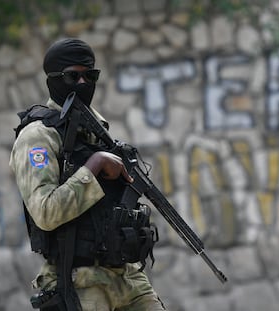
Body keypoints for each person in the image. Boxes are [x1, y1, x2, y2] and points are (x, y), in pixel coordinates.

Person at [9, 38, 166, 311]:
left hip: (127, 275)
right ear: (54, 80)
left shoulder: (97, 130)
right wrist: (95, 165)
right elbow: (46, 213)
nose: (82, 84)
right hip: (79, 281)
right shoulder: (38, 136)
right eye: (73, 76)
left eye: (89, 76)